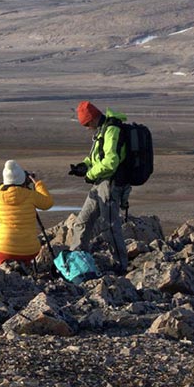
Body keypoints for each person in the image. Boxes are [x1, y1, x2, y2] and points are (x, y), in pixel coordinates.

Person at [67, 100, 131, 274]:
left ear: (93, 118)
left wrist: (91, 174)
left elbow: (111, 162)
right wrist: (83, 166)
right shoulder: (102, 130)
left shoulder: (111, 130)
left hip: (110, 184)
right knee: (82, 222)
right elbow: (97, 157)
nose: (87, 128)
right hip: (100, 183)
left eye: (87, 124)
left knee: (110, 226)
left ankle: (120, 266)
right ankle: (76, 261)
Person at [0, 160, 55, 267]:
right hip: (31, 250)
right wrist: (37, 184)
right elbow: (48, 203)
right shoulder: (31, 195)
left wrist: (2, 185)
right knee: (24, 250)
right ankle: (24, 264)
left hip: (5, 250)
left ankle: (1, 265)